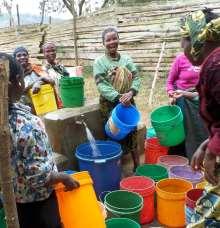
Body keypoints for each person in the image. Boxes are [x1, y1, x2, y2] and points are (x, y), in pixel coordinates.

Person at [1, 52, 80, 228]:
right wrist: (63, 177)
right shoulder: (26, 125)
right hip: (38, 201)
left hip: (14, 197)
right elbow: (38, 177)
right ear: (17, 81)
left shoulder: (7, 119)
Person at [180, 8, 220, 227]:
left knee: (206, 219)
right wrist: (207, 144)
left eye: (183, 39)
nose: (181, 47)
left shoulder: (216, 65)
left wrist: (213, 153)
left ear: (196, 38)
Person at [93, 27, 141, 170]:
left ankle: (137, 166)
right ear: (103, 43)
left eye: (115, 38)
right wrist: (119, 97)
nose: (112, 42)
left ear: (118, 40)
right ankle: (116, 170)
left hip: (128, 101)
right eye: (108, 40)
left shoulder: (126, 59)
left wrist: (131, 93)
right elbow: (101, 84)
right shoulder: (99, 62)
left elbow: (136, 77)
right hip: (109, 104)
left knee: (132, 133)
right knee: (113, 134)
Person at [166, 46, 208, 160]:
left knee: (199, 133)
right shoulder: (181, 59)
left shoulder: (208, 59)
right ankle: (178, 162)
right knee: (180, 134)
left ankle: (196, 161)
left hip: (201, 102)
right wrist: (171, 94)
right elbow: (170, 82)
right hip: (182, 102)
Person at [13, 47, 56, 112]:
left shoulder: (36, 68)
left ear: (28, 56)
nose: (22, 57)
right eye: (19, 56)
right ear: (14, 59)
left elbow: (51, 81)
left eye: (24, 55)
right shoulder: (13, 75)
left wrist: (39, 82)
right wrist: (38, 81)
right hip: (25, 109)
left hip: (43, 105)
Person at [43, 42, 70, 108]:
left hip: (66, 98)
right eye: (48, 51)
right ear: (44, 54)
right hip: (53, 102)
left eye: (53, 50)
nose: (51, 53)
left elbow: (67, 80)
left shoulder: (60, 66)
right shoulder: (43, 69)